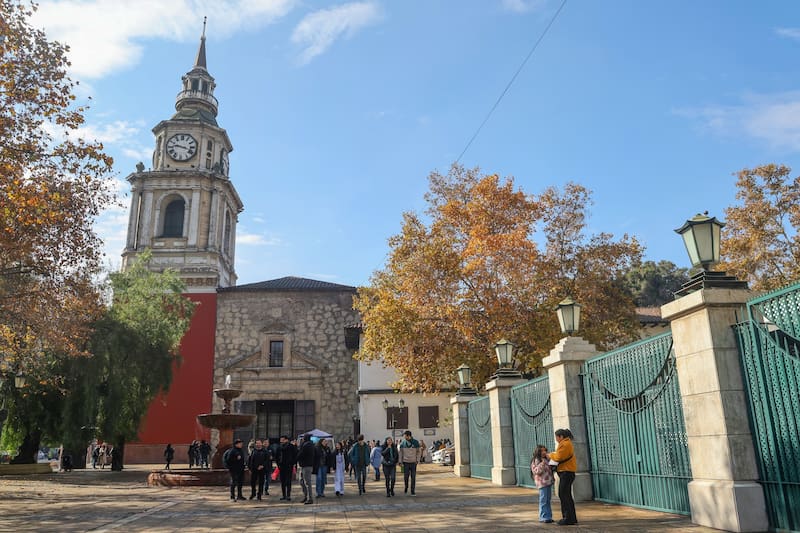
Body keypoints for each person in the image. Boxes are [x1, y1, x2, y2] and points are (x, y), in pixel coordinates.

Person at [548, 428, 578, 526]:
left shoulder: (565, 444)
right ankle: (572, 518)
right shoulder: (566, 443)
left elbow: (559, 457)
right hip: (567, 472)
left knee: (563, 495)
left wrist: (550, 455)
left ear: (560, 436)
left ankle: (567, 518)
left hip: (566, 472)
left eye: (556, 437)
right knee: (567, 495)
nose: (556, 439)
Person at [531, 444, 554, 524]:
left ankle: (548, 517)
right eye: (542, 451)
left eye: (545, 450)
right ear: (538, 452)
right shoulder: (536, 460)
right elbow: (536, 471)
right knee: (543, 500)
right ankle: (543, 517)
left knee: (547, 500)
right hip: (542, 483)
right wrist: (542, 463)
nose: (544, 452)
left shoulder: (546, 459)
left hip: (548, 482)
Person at [276, 435, 298, 501]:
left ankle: (288, 495)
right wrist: (278, 464)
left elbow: (295, 455)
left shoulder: (291, 446)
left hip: (289, 466)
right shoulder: (279, 447)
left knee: (288, 481)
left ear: (286, 440)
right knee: (282, 481)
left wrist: (293, 463)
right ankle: (284, 495)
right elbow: (277, 456)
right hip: (281, 466)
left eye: (282, 440)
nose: (281, 441)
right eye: (280, 440)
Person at [297, 435, 318, 505]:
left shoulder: (307, 445)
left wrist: (295, 458)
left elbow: (301, 454)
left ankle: (309, 498)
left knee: (307, 482)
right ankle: (306, 496)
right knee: (302, 481)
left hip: (306, 465)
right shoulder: (309, 445)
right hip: (305, 465)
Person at [398, 430, 421, 495]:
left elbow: (419, 452)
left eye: (405, 436)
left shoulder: (415, 442)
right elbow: (400, 453)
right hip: (405, 462)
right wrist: (400, 461)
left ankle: (412, 490)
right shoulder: (403, 443)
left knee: (413, 477)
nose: (404, 437)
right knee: (406, 477)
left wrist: (417, 460)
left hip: (413, 462)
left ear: (409, 436)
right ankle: (406, 486)